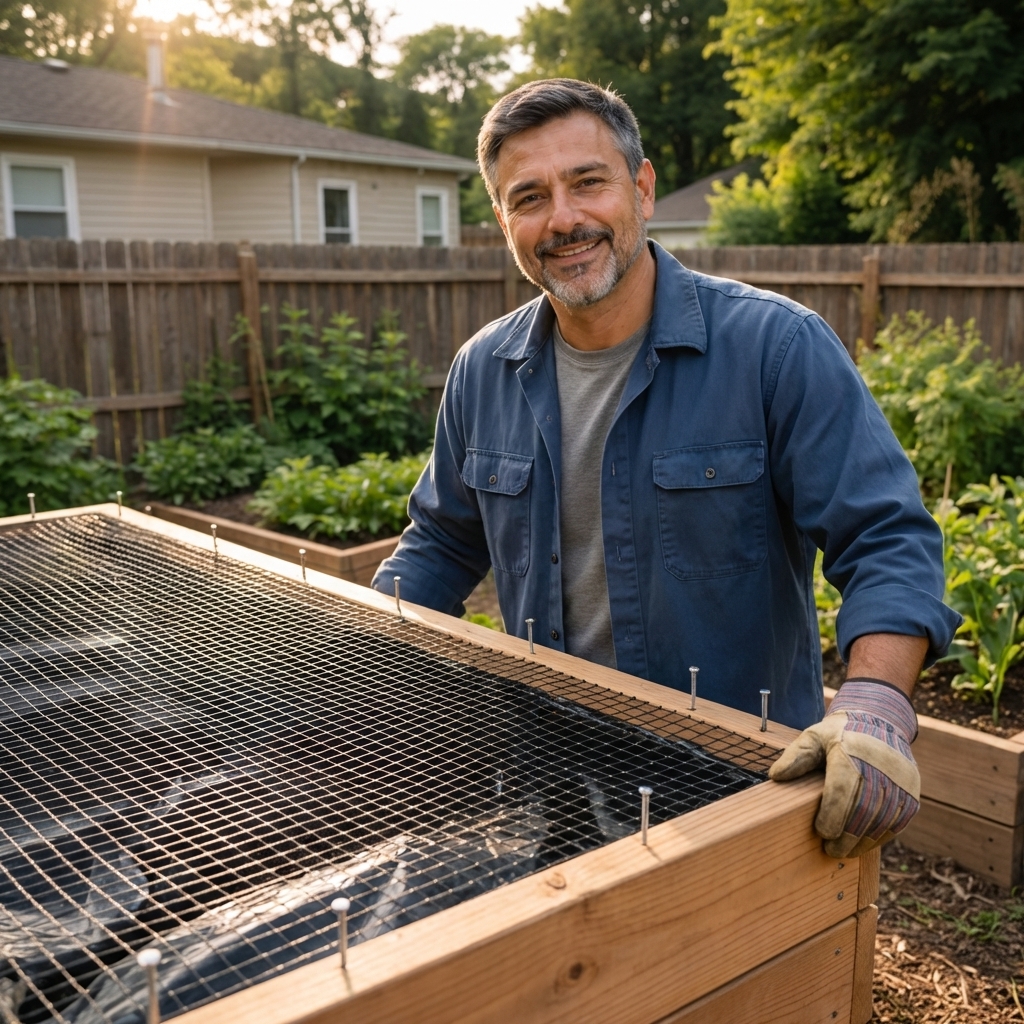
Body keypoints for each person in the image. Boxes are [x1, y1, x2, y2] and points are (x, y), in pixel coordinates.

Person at [373, 79, 961, 858]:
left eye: (588, 182)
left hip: (741, 789)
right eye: (530, 197)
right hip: (550, 784)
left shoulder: (776, 349)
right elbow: (443, 543)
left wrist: (877, 703)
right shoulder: (484, 370)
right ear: (504, 221)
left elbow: (886, 537)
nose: (564, 219)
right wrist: (361, 656)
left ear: (642, 189)